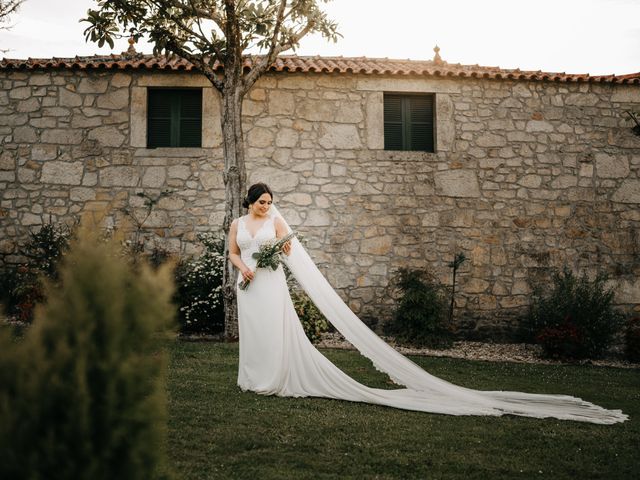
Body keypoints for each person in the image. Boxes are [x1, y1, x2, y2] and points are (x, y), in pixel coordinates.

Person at [228, 183, 628, 424]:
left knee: (275, 332)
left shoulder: (277, 223)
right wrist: (242, 267)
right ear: (250, 201)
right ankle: (252, 377)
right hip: (249, 284)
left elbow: (289, 249)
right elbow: (231, 251)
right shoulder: (238, 225)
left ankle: (274, 379)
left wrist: (269, 258)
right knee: (256, 333)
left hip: (272, 282)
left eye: (270, 201)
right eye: (262, 201)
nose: (267, 205)